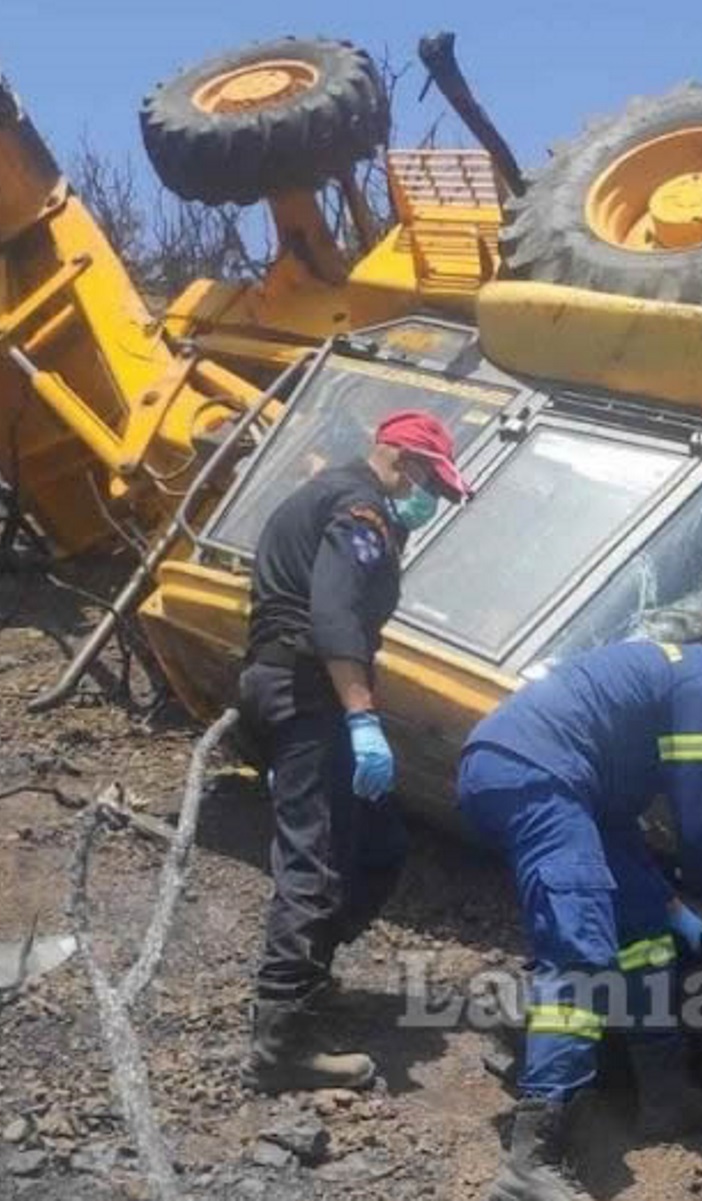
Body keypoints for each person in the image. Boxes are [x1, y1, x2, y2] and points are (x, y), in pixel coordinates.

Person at [462, 613, 702, 1201]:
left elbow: (621, 826)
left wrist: (670, 903)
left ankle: (665, 1092)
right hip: (538, 776)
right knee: (581, 955)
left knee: (643, 931)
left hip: (567, 788)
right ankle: (532, 1158)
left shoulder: (682, 682)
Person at [238, 409, 471, 1092]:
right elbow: (335, 613)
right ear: (401, 459)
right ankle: (279, 1044)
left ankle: (304, 979)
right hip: (307, 695)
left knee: (377, 844)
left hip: (294, 688)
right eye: (432, 481)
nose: (433, 500)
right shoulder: (359, 508)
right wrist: (362, 717)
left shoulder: (341, 498)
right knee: (317, 859)